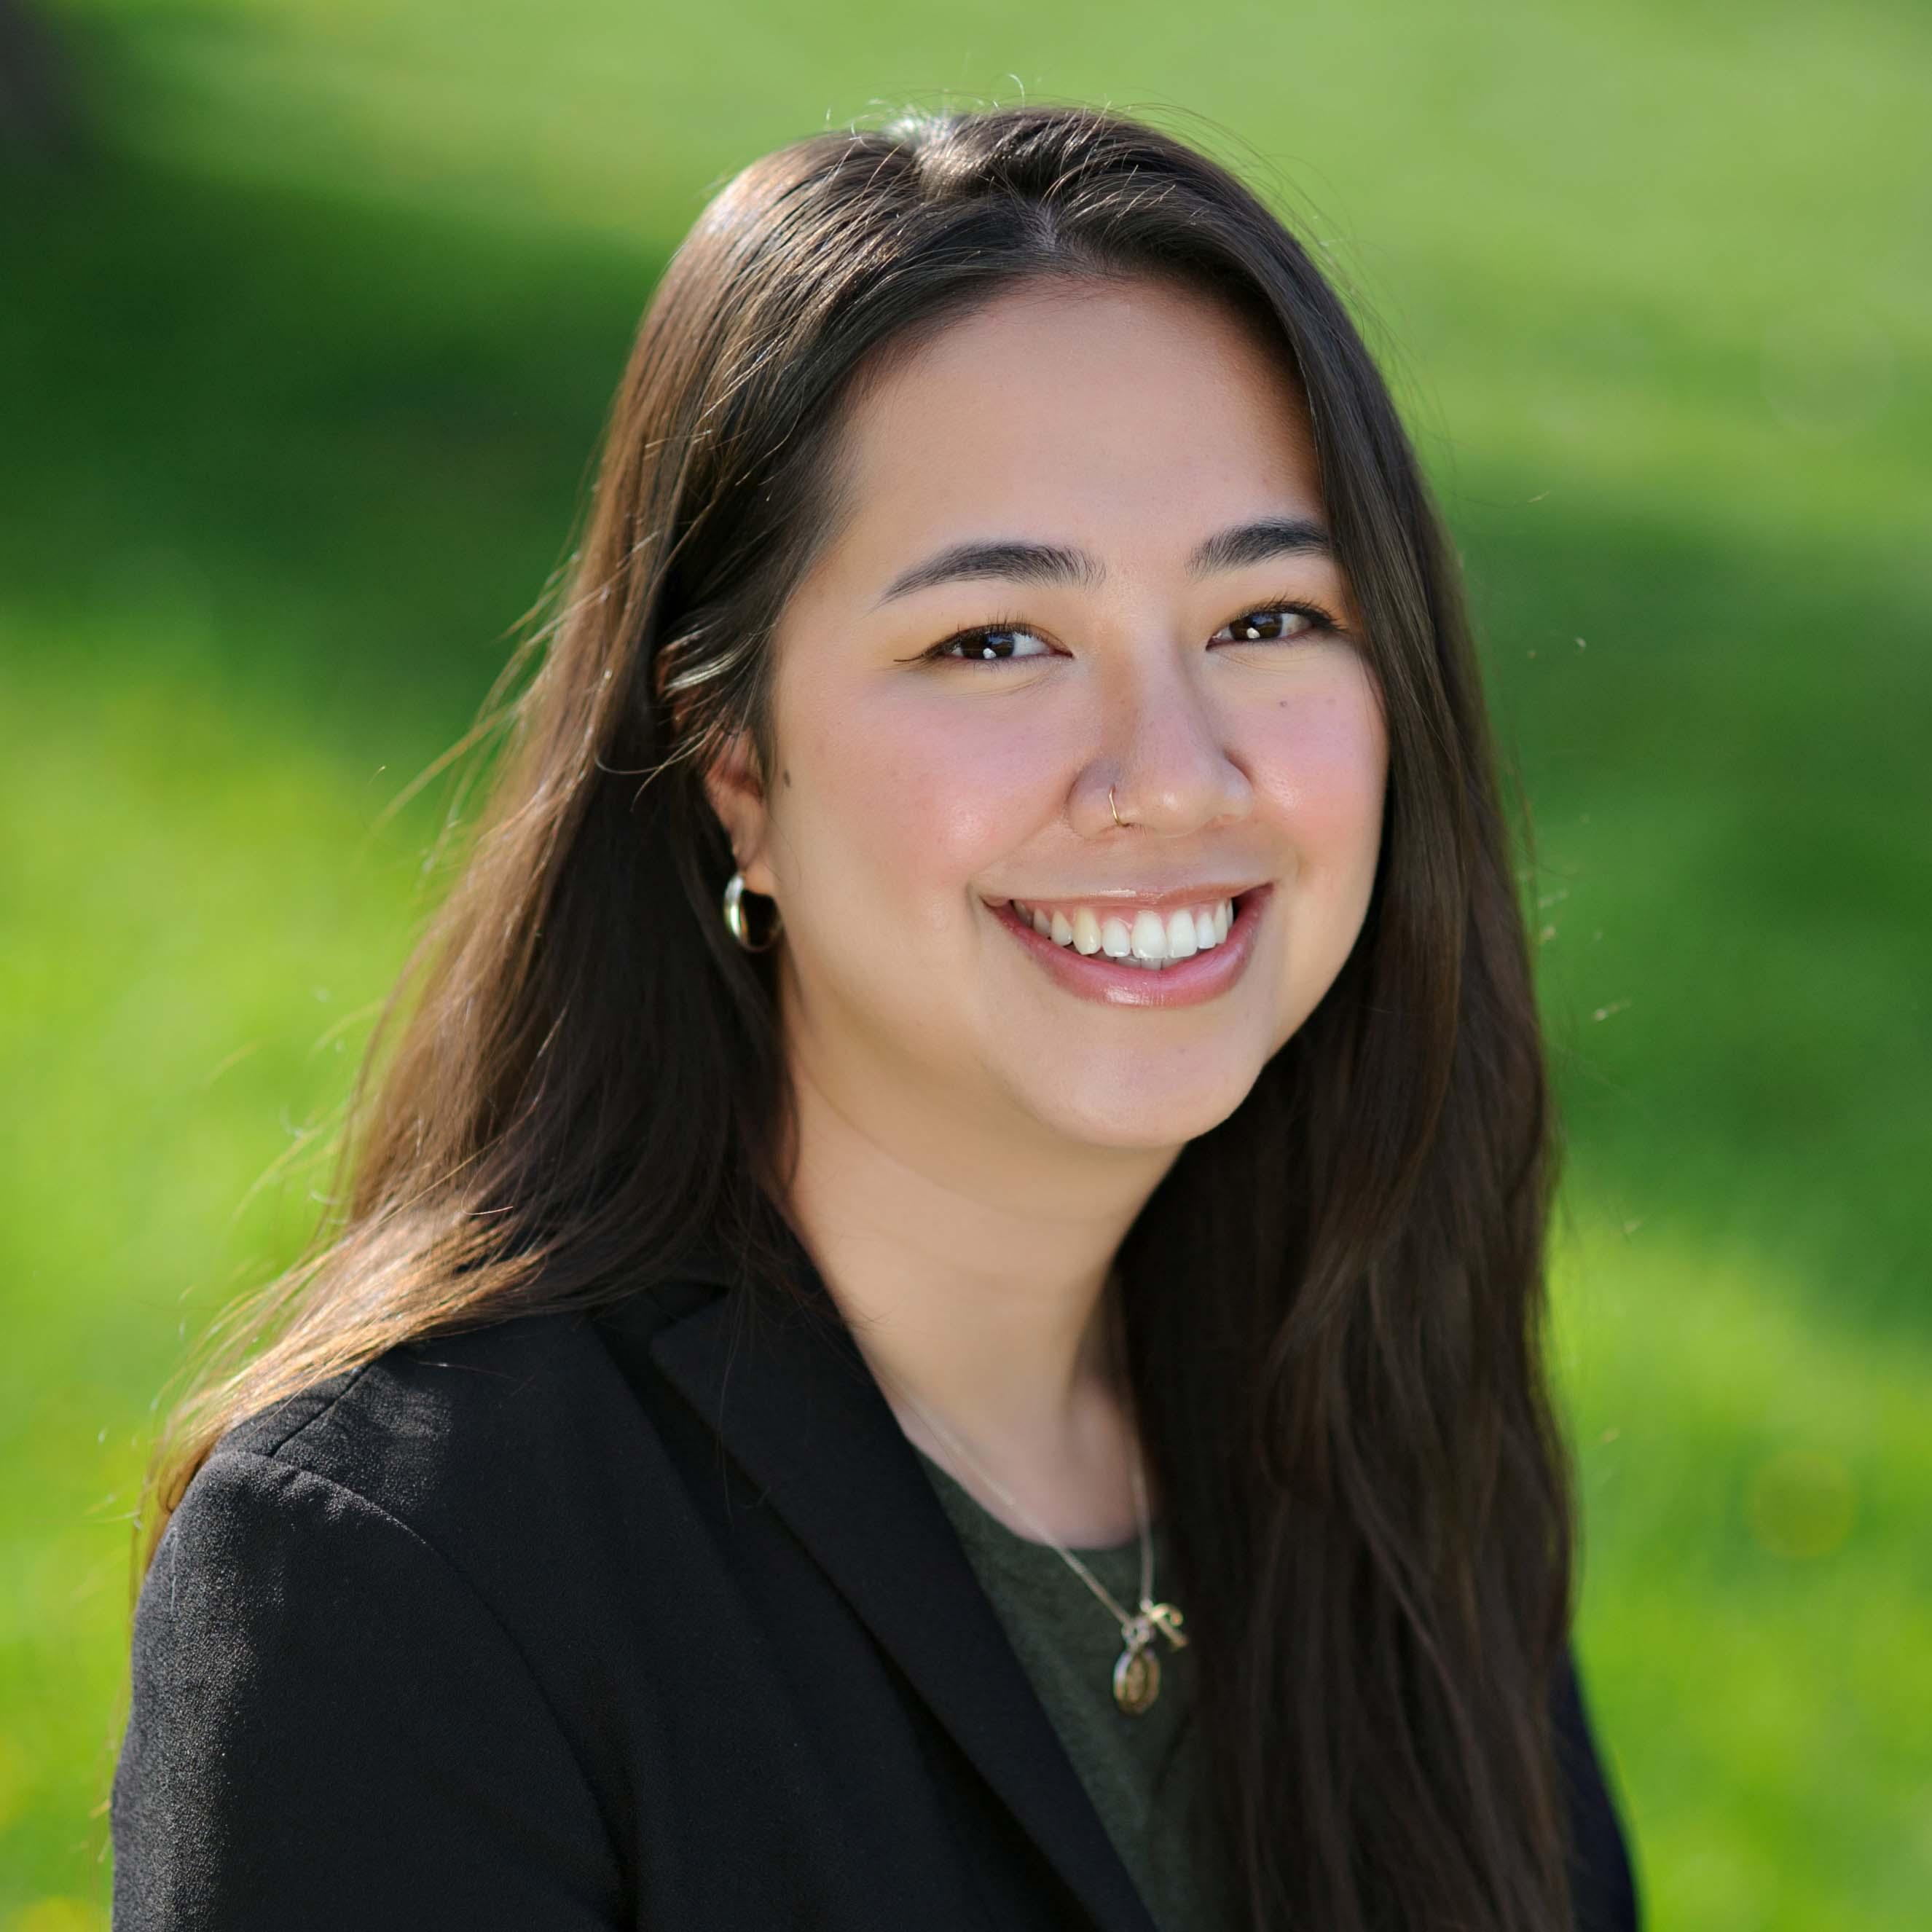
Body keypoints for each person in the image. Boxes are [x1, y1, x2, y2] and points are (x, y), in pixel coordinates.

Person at [110, 103, 1641, 1932]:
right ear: (732, 765)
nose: (1173, 774)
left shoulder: (1386, 1429)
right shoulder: (410, 1573)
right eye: (993, 642)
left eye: (1266, 619)